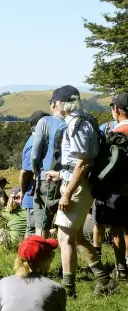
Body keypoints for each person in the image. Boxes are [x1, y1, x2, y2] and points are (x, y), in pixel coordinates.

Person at [45, 85, 117, 297]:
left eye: (54, 102)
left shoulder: (76, 124)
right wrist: (60, 175)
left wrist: (67, 193)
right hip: (77, 182)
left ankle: (68, 291)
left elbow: (83, 162)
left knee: (64, 237)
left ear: (62, 104)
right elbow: (78, 162)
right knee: (76, 236)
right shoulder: (85, 120)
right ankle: (105, 280)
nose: (53, 106)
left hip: (76, 188)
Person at [93, 93, 128, 279]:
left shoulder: (116, 134)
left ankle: (121, 269)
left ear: (116, 110)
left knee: (117, 231)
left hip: (119, 190)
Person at [30, 99, 67, 238]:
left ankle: (42, 257)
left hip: (47, 178)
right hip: (67, 177)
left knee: (42, 223)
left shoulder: (45, 122)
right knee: (66, 223)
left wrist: (35, 172)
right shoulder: (73, 122)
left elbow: (34, 155)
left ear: (53, 105)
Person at [18, 111, 45, 237]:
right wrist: (23, 192)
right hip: (32, 194)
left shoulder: (39, 140)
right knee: (33, 230)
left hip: (36, 192)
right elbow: (25, 173)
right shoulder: (34, 143)